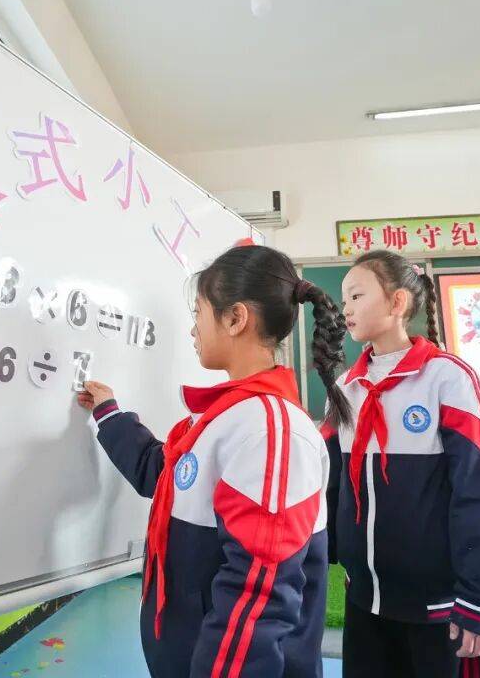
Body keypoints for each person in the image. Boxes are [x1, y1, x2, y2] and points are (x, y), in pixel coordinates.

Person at [77, 244, 346, 677]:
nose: (192, 330)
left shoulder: (269, 431)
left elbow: (258, 595)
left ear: (236, 318)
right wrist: (109, 414)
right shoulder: (228, 416)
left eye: (198, 314)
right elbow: (164, 475)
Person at [321, 249, 480, 678]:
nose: (345, 308)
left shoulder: (450, 379)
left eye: (356, 296)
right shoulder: (346, 388)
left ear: (397, 302)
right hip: (363, 599)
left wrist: (479, 598)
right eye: (344, 299)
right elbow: (328, 484)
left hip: (438, 607)